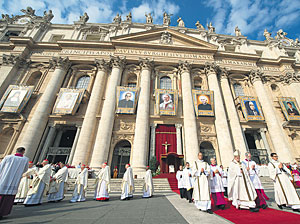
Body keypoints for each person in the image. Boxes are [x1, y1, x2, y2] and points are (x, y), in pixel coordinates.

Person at [0, 147, 29, 218]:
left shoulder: (8, 157)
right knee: (8, 198)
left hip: (4, 179)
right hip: (14, 181)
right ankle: (2, 213)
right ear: (23, 152)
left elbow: (1, 167)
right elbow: (25, 170)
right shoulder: (25, 159)